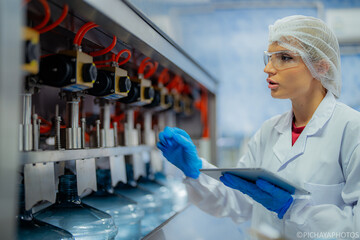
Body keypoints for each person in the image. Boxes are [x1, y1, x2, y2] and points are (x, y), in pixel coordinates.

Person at [157, 15, 360, 238]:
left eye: (284, 57)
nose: (269, 69)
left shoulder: (351, 129)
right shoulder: (269, 131)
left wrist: (294, 209)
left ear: (321, 67)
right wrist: (195, 170)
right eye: (270, 58)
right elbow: (239, 202)